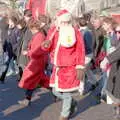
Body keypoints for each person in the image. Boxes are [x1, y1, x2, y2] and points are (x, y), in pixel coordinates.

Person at [42, 9, 85, 120]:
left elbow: (80, 49)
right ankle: (72, 102)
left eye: (66, 22)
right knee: (55, 91)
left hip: (69, 67)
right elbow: (47, 46)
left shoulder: (75, 32)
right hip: (56, 67)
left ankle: (64, 115)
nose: (64, 24)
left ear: (69, 21)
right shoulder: (53, 31)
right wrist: (45, 45)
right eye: (62, 22)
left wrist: (80, 65)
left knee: (66, 93)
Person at [18, 18, 50, 106]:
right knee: (40, 80)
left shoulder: (39, 36)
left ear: (34, 28)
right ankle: (57, 93)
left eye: (31, 29)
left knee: (31, 79)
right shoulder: (38, 35)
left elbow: (37, 51)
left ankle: (60, 94)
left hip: (37, 62)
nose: (30, 31)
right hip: (37, 61)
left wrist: (27, 52)